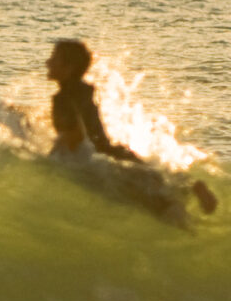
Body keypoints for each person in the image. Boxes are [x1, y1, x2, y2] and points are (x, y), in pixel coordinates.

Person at [46, 38, 218, 216]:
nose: (48, 62)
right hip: (113, 151)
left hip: (101, 164)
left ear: (68, 68)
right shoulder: (83, 89)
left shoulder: (62, 98)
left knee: (148, 202)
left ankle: (183, 225)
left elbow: (75, 137)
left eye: (54, 58)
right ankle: (193, 186)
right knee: (156, 181)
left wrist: (49, 159)